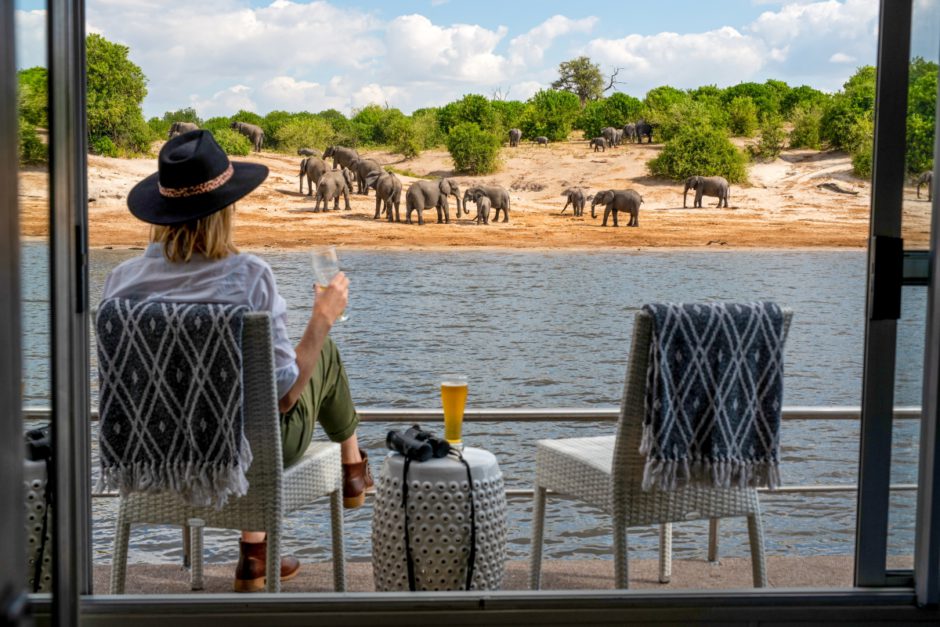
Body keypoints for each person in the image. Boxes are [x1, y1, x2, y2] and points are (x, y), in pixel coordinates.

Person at [101, 129, 373, 592]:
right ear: (226, 209)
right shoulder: (248, 277)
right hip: (240, 458)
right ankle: (351, 468)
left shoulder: (121, 282)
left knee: (240, 395)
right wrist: (323, 318)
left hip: (151, 454)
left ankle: (259, 550)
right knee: (320, 349)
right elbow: (285, 397)